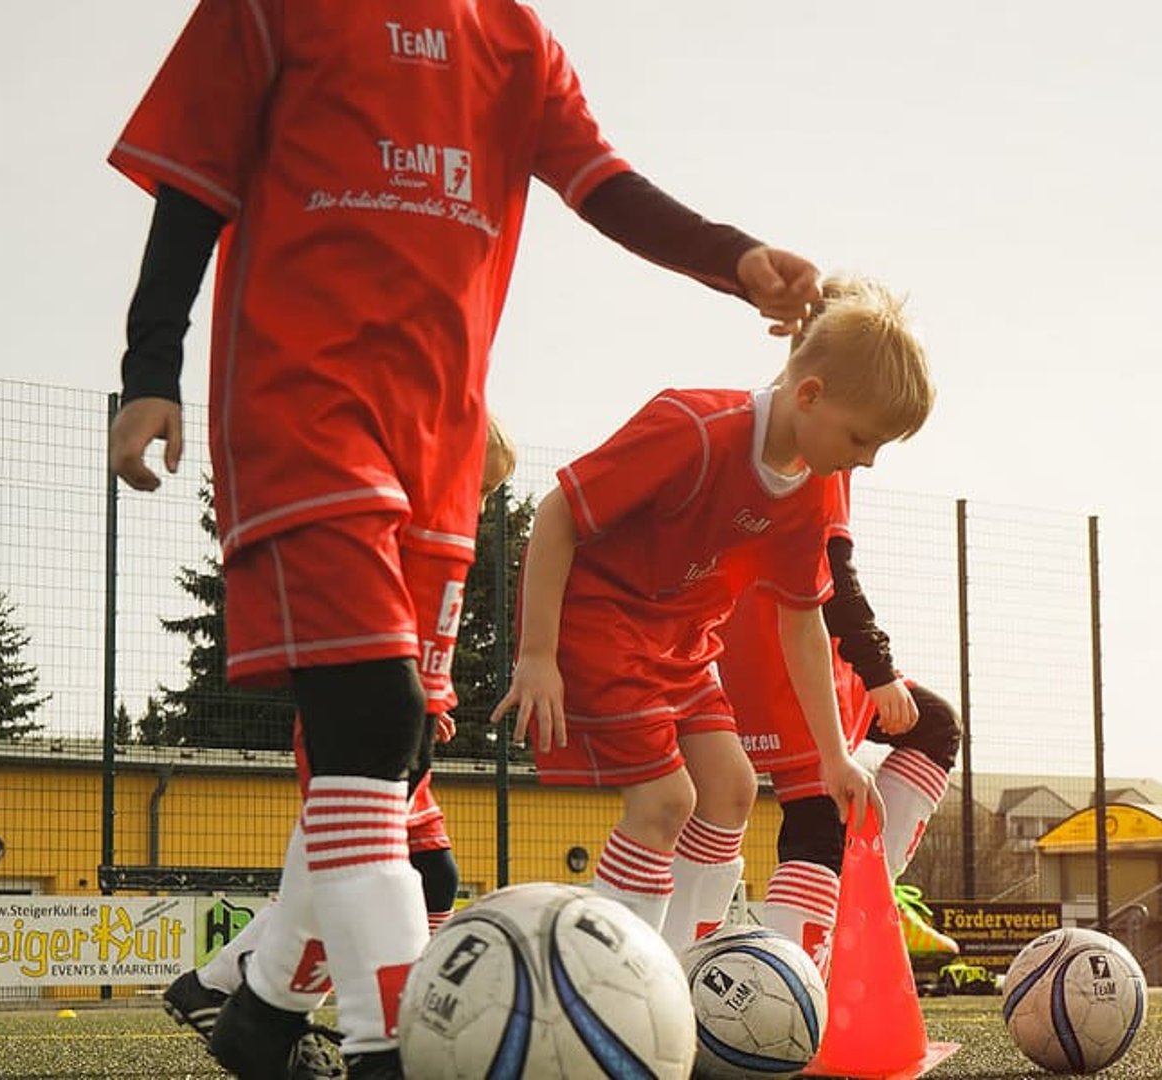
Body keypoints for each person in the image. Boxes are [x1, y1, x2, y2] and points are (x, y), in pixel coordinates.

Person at [104, 1, 820, 1073]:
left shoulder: (515, 41)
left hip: (442, 457)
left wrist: (735, 256)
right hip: (301, 411)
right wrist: (149, 373)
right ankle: (390, 1048)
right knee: (372, 725)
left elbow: (602, 185)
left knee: (386, 762)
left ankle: (253, 1017)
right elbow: (191, 183)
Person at [493, 279, 932, 954]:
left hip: (682, 643)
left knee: (728, 789)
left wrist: (834, 756)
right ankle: (607, 982)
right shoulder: (693, 430)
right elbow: (558, 514)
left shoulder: (808, 490)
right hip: (602, 627)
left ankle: (680, 972)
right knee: (666, 801)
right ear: (810, 395)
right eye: (861, 438)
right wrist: (538, 655)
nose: (867, 459)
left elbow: (803, 622)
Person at [158, 418, 519, 1077]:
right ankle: (368, 1026)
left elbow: (424, 636)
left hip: (409, 719)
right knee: (368, 863)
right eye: (475, 485)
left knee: (410, 870)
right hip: (367, 718)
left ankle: (240, 999)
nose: (481, 502)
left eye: (489, 492)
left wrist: (433, 698)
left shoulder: (448, 537)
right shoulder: (399, 523)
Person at [713, 470, 963, 972]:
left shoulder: (780, 441)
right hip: (792, 661)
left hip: (780, 650)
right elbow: (836, 578)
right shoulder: (816, 460)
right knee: (816, 827)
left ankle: (867, 897)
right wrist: (878, 671)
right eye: (865, 437)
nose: (870, 457)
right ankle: (790, 986)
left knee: (933, 725)